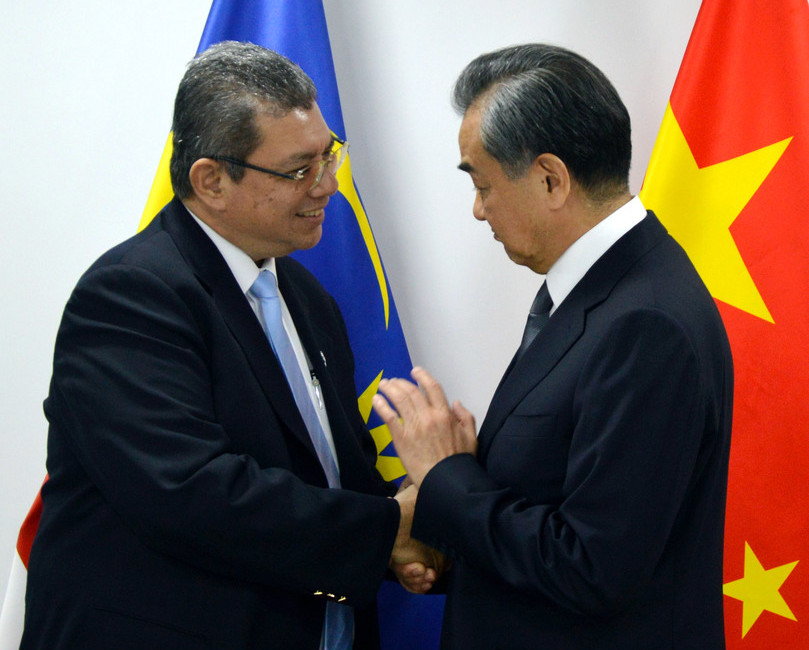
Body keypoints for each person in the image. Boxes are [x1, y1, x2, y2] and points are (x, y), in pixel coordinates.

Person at [21, 41, 438, 650]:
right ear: (211, 180)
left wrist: (413, 521)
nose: (328, 185)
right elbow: (191, 495)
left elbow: (327, 478)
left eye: (329, 157)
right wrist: (388, 530)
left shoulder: (307, 298)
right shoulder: (132, 295)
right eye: (299, 169)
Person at [373, 44, 733, 649]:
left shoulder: (645, 324)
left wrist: (445, 477)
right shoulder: (604, 291)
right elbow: (555, 506)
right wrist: (448, 542)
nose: (477, 210)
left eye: (483, 185)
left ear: (550, 178)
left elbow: (593, 569)